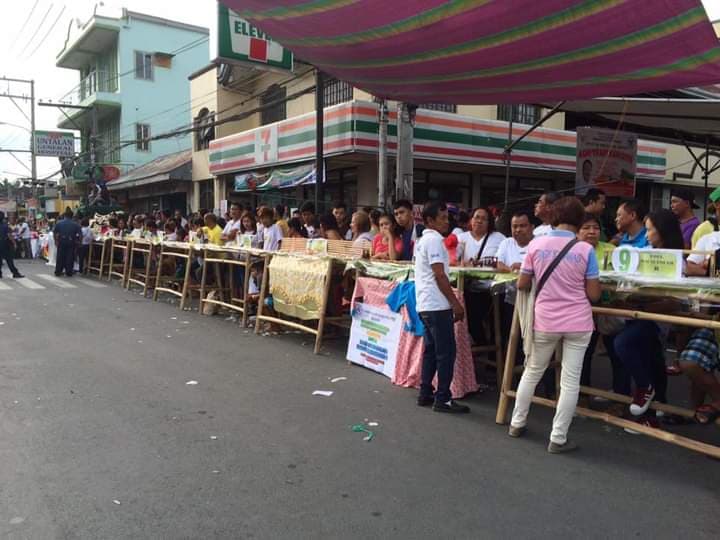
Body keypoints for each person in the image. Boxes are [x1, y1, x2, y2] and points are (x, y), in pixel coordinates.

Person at [509, 196, 601, 453]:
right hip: (578, 322)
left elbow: (522, 284)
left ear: (554, 217)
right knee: (570, 382)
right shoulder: (586, 250)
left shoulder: (536, 246)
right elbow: (594, 295)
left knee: (532, 371)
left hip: (545, 320)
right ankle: (558, 438)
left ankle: (517, 423)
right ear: (580, 220)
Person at [612, 209, 683, 427]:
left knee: (623, 344)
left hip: (655, 319)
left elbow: (675, 301)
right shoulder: (646, 251)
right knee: (653, 361)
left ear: (662, 231)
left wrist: (642, 303)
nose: (647, 233)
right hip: (642, 313)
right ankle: (653, 413)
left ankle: (645, 389)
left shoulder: (677, 257)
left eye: (650, 229)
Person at [414, 201, 470, 414]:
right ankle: (443, 398)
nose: (446, 222)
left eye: (447, 218)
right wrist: (455, 303)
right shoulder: (435, 241)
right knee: (446, 353)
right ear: (429, 220)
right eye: (442, 218)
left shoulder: (422, 241)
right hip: (437, 304)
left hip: (425, 303)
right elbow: (439, 275)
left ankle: (425, 392)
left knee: (431, 351)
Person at [53, 208, 82, 277]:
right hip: (71, 242)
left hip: (61, 241)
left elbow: (54, 232)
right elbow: (80, 235)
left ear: (64, 216)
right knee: (70, 257)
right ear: (72, 216)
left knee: (60, 257)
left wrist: (55, 241)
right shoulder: (76, 224)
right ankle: (68, 272)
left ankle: (58, 271)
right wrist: (79, 242)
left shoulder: (59, 223)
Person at [0, 211, 23, 278]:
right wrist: (14, 243)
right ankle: (15, 273)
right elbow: (9, 235)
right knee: (9, 260)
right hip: (5, 245)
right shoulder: (5, 225)